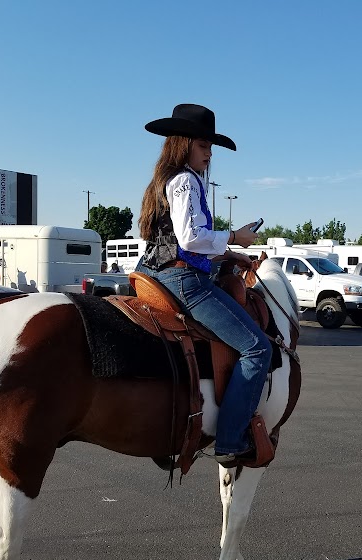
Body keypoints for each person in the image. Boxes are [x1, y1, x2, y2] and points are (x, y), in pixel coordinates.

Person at [135, 103, 271, 466]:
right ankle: (229, 440)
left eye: (210, 148)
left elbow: (182, 242)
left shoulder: (167, 180)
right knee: (258, 348)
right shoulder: (184, 180)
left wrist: (228, 255)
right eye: (203, 146)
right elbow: (191, 238)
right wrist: (237, 237)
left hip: (157, 272)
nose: (209, 154)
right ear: (182, 145)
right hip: (182, 279)